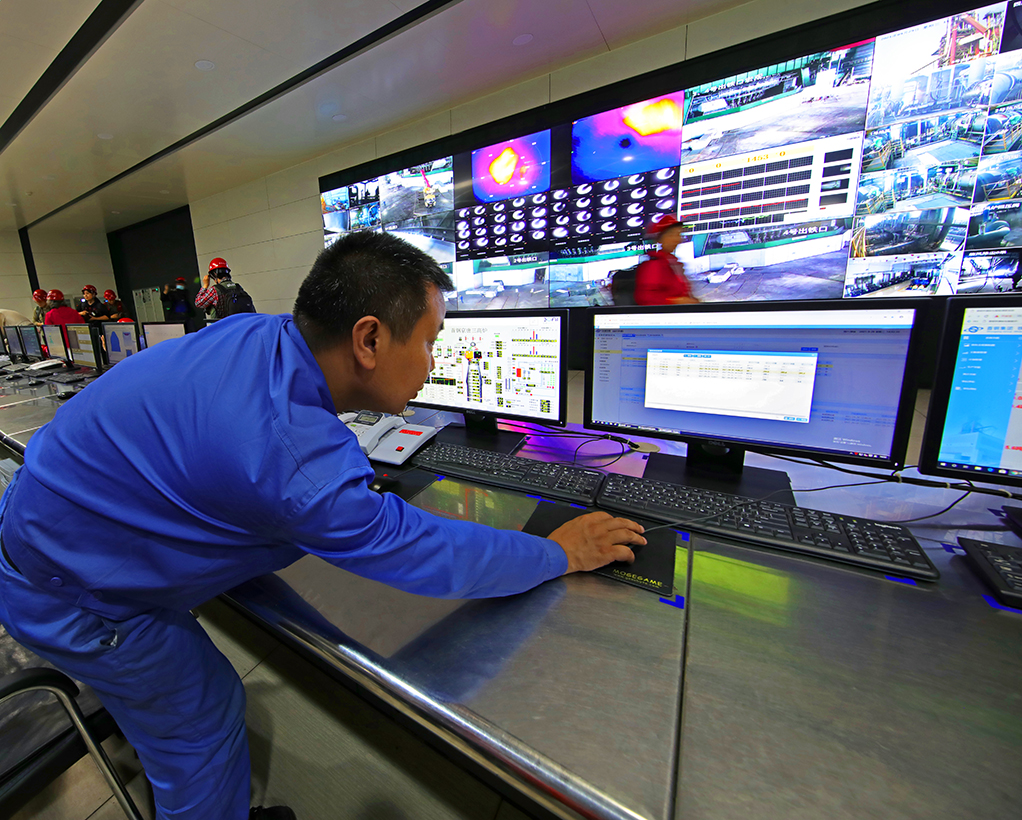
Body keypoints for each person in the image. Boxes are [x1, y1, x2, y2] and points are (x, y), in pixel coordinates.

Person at [0, 230, 644, 820]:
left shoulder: (255, 335)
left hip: (42, 525)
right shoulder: (298, 463)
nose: (432, 363)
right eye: (429, 342)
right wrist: (558, 552)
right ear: (369, 340)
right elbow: (427, 553)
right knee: (199, 720)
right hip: (72, 593)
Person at [634, 215, 700, 306]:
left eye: (678, 234)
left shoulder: (674, 263)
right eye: (671, 235)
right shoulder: (653, 265)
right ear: (660, 239)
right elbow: (645, 298)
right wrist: (675, 301)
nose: (677, 239)